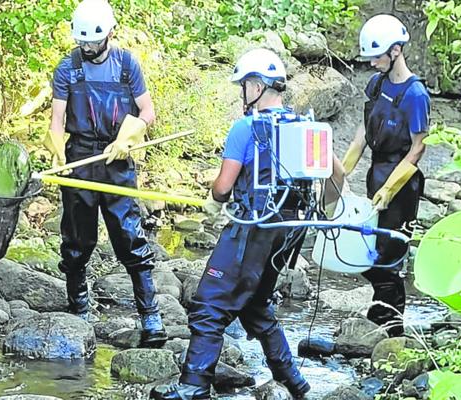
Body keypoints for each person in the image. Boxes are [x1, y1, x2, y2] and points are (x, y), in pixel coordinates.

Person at [150, 48, 345, 400]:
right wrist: (326, 214)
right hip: (288, 235)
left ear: (256, 85)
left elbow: (223, 187)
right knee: (254, 303)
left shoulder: (246, 128)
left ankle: (193, 386)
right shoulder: (304, 126)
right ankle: (294, 381)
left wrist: (214, 202)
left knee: (210, 304)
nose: (243, 92)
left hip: (252, 230)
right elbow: (338, 173)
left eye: (244, 85)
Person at [43, 0, 167, 347]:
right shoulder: (68, 67)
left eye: (94, 43)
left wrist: (128, 137)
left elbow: (147, 111)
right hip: (80, 157)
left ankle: (150, 315)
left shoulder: (127, 65)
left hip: (117, 157)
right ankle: (79, 307)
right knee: (77, 238)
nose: (88, 49)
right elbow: (57, 119)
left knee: (129, 235)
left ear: (111, 33)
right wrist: (56, 151)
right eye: (83, 43)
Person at [341, 14, 430, 337]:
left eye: (377, 56)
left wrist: (391, 189)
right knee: (366, 249)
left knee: (388, 256)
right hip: (376, 172)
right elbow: (362, 134)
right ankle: (377, 322)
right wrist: (339, 174)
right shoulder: (377, 84)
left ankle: (391, 331)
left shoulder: (416, 94)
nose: (372, 63)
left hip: (402, 183)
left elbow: (418, 149)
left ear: (395, 51)